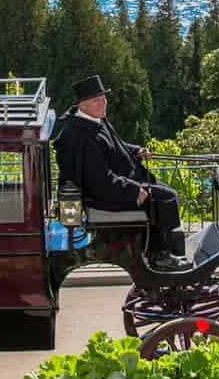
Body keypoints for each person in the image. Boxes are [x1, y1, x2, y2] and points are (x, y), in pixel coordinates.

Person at [53, 74, 187, 270]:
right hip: (103, 195)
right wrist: (133, 190)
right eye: (97, 100)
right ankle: (160, 256)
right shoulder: (81, 135)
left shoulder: (94, 120)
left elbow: (115, 145)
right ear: (83, 104)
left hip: (123, 180)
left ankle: (163, 250)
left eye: (104, 98)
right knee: (166, 198)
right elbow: (99, 180)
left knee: (166, 191)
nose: (103, 103)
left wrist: (135, 151)